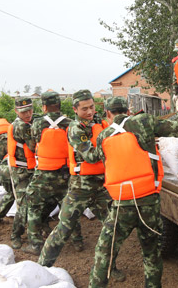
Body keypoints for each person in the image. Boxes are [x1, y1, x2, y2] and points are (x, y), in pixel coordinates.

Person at [88, 96, 178, 287]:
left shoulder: (103, 136)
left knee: (105, 252)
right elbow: (177, 128)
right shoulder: (143, 121)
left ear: (108, 114)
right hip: (148, 201)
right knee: (151, 253)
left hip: (121, 205)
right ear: (128, 111)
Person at [38, 90, 124, 282]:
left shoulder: (100, 124)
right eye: (84, 108)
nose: (89, 111)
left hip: (102, 186)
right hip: (80, 188)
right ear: (75, 110)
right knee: (64, 229)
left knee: (112, 228)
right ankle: (41, 268)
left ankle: (110, 267)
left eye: (92, 107)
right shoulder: (76, 129)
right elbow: (91, 156)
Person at [23, 91, 71, 255]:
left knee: (34, 206)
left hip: (44, 173)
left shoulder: (37, 124)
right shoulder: (70, 123)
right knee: (68, 206)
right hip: (65, 173)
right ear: (59, 106)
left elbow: (32, 144)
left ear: (44, 107)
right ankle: (77, 241)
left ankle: (35, 244)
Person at [7, 97, 37, 249]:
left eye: (30, 110)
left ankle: (38, 230)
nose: (28, 114)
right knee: (24, 205)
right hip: (21, 171)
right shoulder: (21, 126)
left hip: (31, 168)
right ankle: (16, 235)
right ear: (16, 111)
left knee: (36, 202)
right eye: (24, 111)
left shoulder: (31, 122)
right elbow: (34, 147)